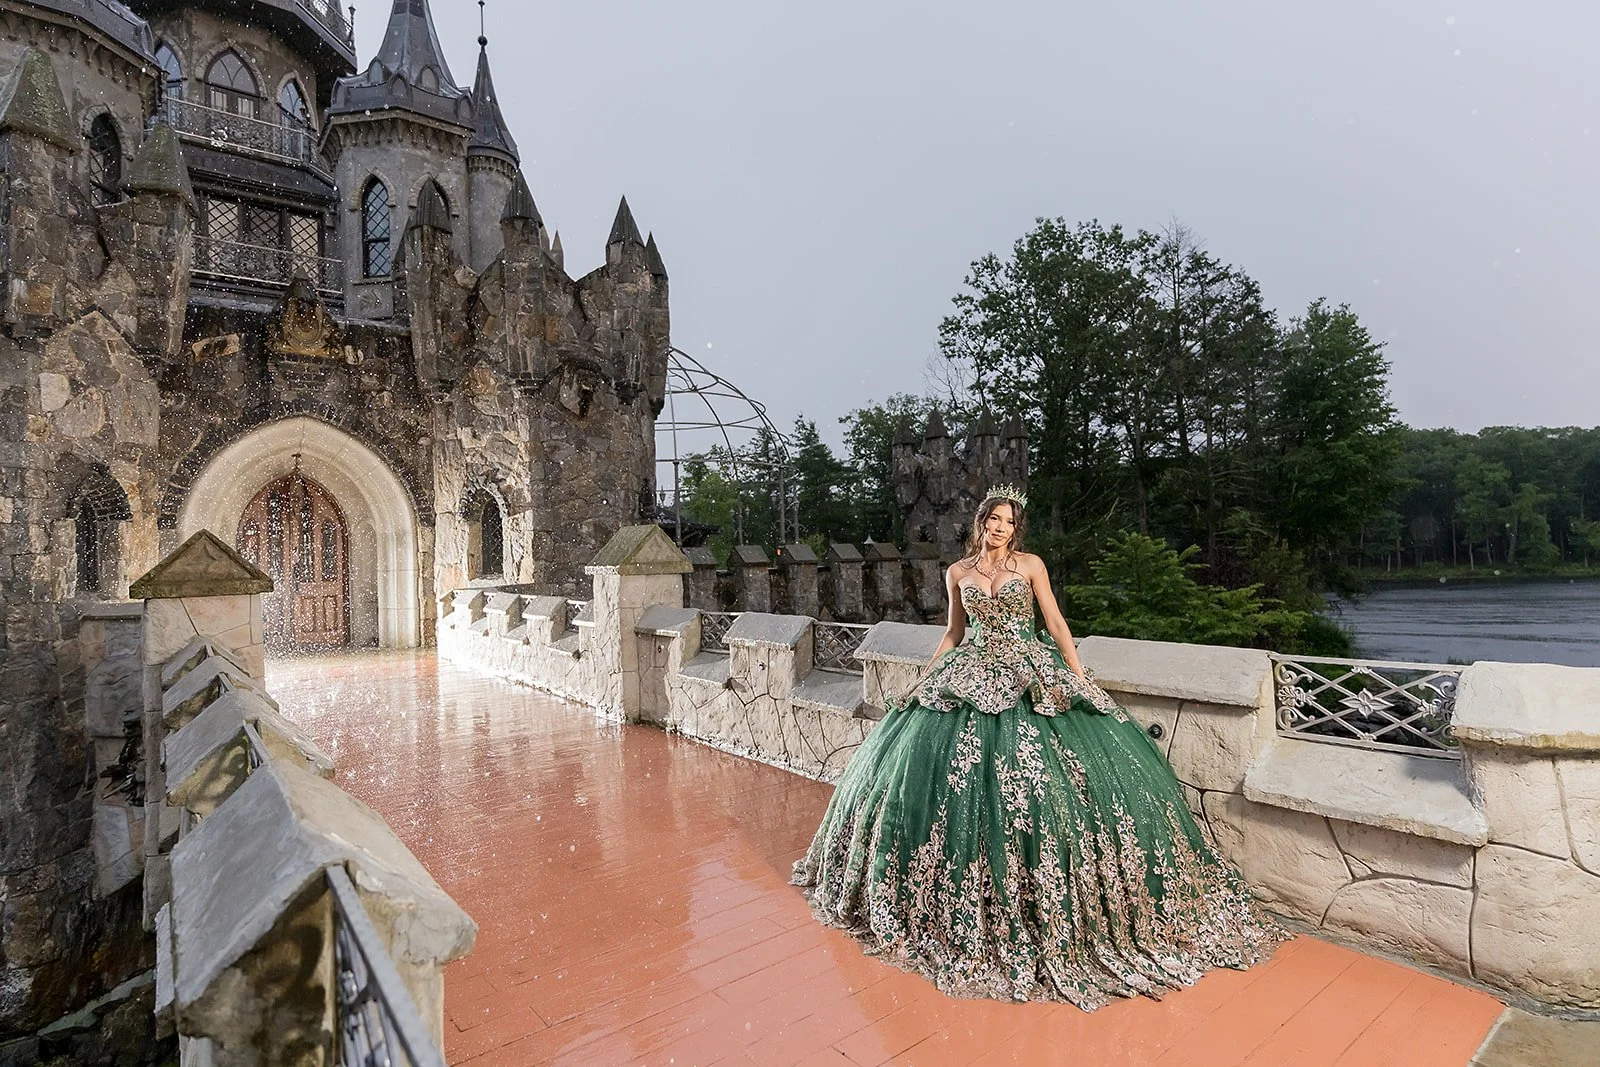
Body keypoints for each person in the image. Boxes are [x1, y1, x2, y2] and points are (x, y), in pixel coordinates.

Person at [791, 486, 1286, 1009]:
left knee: (1045, 785)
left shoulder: (1031, 566)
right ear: (980, 522)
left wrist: (1079, 678)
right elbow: (955, 633)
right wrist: (925, 676)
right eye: (994, 520)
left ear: (1015, 528)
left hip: (1030, 673)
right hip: (972, 671)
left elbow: (1053, 621)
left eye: (1009, 522)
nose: (1001, 528)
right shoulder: (958, 573)